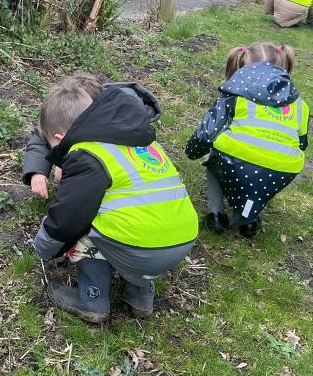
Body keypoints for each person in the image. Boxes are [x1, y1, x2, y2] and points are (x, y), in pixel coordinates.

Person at [32, 82, 198, 322]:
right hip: (181, 241)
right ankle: (140, 297)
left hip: (142, 249)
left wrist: (44, 246)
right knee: (129, 217)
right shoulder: (143, 141)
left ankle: (92, 300)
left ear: (61, 138)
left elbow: (69, 217)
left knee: (82, 229)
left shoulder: (88, 154)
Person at [185, 43, 309, 239]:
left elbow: (208, 133)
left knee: (216, 153)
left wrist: (192, 151)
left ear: (242, 65)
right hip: (283, 170)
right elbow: (302, 144)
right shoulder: (299, 103)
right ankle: (249, 218)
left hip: (236, 160)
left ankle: (216, 214)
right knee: (263, 169)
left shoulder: (236, 94)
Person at [22, 73, 160, 199]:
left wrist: (69, 165)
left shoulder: (124, 122)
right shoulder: (70, 111)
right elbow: (42, 134)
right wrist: (37, 171)